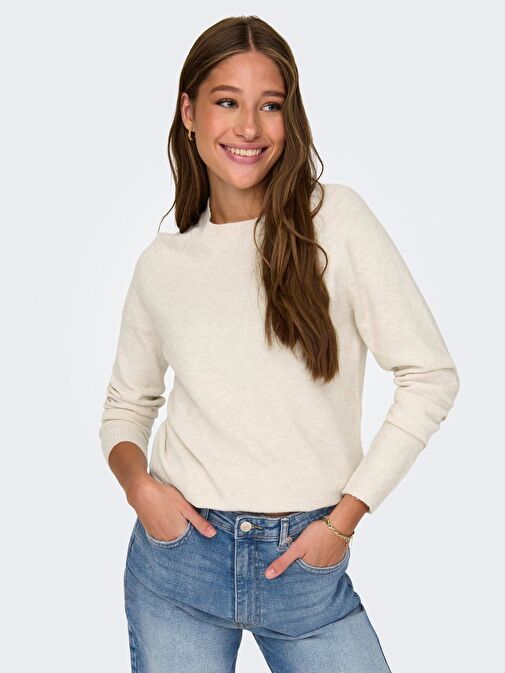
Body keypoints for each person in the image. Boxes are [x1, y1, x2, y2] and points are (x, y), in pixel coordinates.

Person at [98, 15, 459, 673]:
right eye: (226, 102)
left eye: (270, 105)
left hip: (304, 565)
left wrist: (343, 520)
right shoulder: (163, 264)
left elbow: (429, 375)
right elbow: (126, 405)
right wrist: (140, 489)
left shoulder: (335, 221)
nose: (249, 127)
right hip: (177, 565)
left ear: (290, 119)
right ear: (189, 113)